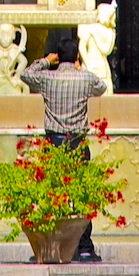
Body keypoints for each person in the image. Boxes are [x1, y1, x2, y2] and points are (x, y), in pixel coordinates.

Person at [20, 31, 109, 262]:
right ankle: (84, 247)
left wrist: (46, 62)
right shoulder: (85, 78)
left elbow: (26, 75)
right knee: (80, 194)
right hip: (77, 143)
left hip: (54, 142)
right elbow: (101, 87)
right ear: (77, 57)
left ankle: (51, 247)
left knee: (53, 195)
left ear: (58, 57)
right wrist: (80, 69)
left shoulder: (48, 78)